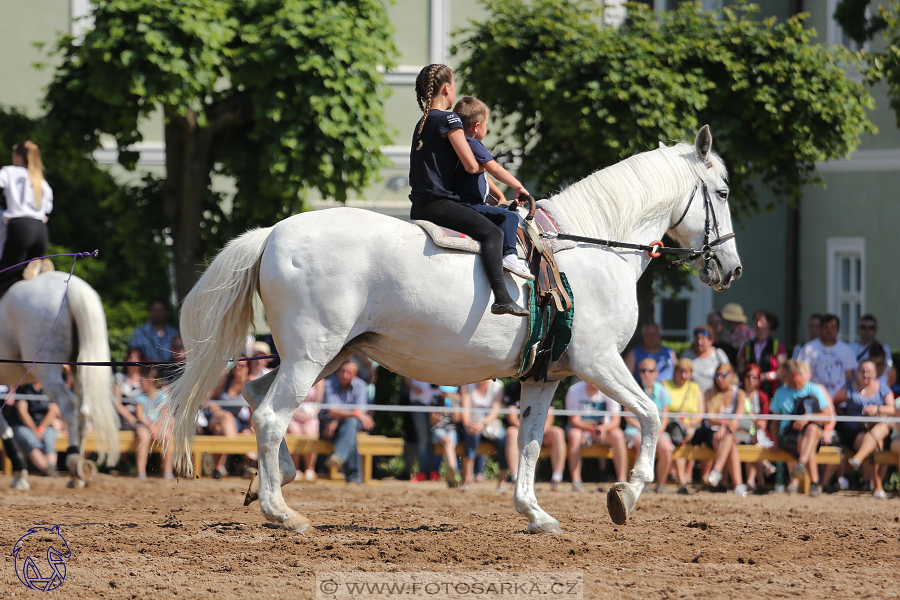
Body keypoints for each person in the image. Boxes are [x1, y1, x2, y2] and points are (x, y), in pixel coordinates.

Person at [408, 63, 528, 317]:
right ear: (448, 88)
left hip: (419, 204)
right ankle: (502, 297)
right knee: (493, 233)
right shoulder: (449, 119)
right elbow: (472, 165)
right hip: (440, 204)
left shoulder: (422, 122)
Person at [768, 360, 836, 498]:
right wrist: (774, 440)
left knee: (811, 431)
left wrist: (808, 417)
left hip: (809, 435)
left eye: (783, 376)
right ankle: (815, 483)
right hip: (788, 435)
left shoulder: (815, 390)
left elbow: (828, 417)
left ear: (793, 374)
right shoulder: (780, 393)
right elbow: (774, 423)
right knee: (807, 439)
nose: (781, 380)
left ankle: (801, 464)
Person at [831, 360, 895, 499]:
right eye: (862, 372)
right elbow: (832, 403)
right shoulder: (849, 388)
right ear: (857, 373)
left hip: (877, 428)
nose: (866, 375)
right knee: (876, 445)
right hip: (853, 431)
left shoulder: (882, 388)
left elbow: (892, 409)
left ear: (875, 373)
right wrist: (842, 415)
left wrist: (877, 409)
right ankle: (877, 486)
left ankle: (858, 459)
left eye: (869, 372)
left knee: (881, 429)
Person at [0, 140, 54, 294]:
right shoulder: (41, 182)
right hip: (41, 231)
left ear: (17, 157)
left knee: (6, 274)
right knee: (27, 284)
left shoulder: (10, 172)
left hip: (21, 228)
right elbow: (47, 213)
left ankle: (27, 268)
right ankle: (39, 266)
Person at [503, 380, 566, 492]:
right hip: (520, 428)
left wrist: (537, 432)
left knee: (558, 433)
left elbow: (550, 418)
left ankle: (557, 479)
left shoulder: (547, 387)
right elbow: (512, 418)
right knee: (511, 433)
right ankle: (515, 478)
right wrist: (527, 430)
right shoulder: (513, 388)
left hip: (542, 429)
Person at [696, 364, 749, 497]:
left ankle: (717, 472)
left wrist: (725, 426)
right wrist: (724, 424)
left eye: (723, 375)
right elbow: (710, 419)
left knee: (729, 439)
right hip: (713, 432)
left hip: (731, 433)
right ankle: (737, 484)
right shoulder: (710, 392)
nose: (719, 379)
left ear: (731, 375)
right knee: (729, 442)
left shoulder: (739, 394)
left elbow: (739, 418)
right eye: (717, 376)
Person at [622, 358, 674, 493]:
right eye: (642, 370)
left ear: (656, 373)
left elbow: (665, 415)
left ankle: (660, 484)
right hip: (635, 429)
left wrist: (659, 430)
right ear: (639, 373)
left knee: (666, 448)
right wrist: (643, 429)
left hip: (657, 431)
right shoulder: (633, 389)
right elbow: (627, 416)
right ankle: (636, 484)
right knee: (641, 444)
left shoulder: (662, 390)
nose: (646, 373)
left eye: (650, 370)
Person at [565, 380, 627, 491]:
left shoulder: (610, 391)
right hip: (582, 430)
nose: (594, 383)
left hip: (603, 430)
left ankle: (621, 482)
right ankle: (576, 481)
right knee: (574, 434)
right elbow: (574, 420)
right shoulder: (574, 390)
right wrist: (591, 429)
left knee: (618, 435)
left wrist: (604, 428)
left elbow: (616, 421)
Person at [321, 360, 373, 484]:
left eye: (349, 373)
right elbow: (332, 411)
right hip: (328, 425)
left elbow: (360, 410)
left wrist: (338, 417)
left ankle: (338, 456)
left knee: (351, 423)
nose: (344, 375)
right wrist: (353, 413)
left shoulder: (361, 385)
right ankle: (354, 478)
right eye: (342, 371)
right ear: (338, 371)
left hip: (339, 424)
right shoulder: (328, 384)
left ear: (355, 375)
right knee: (351, 429)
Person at [663, 358, 704, 494]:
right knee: (678, 435)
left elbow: (701, 413)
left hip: (692, 426)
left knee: (689, 435)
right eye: (680, 372)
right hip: (670, 425)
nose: (683, 376)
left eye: (686, 372)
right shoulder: (665, 385)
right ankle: (682, 480)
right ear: (675, 372)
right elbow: (662, 409)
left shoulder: (695, 388)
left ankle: (685, 476)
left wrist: (690, 425)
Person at [3, 382, 60, 477]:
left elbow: (54, 409)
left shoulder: (48, 388)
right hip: (23, 425)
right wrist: (35, 430)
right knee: (33, 444)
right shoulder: (23, 387)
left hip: (43, 427)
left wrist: (41, 428)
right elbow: (22, 411)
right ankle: (48, 471)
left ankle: (50, 470)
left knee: (50, 444)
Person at [460, 379, 508, 490]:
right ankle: (467, 479)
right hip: (471, 422)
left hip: (489, 423)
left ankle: (502, 480)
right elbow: (465, 409)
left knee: (503, 439)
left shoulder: (498, 385)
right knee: (471, 436)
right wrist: (468, 424)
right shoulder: (467, 384)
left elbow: (495, 410)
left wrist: (483, 424)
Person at [796, 313, 856, 398]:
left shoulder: (846, 350)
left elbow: (850, 380)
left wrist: (837, 401)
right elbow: (801, 375)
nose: (829, 330)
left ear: (838, 329)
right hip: (814, 400)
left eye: (832, 328)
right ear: (820, 328)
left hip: (840, 403)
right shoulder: (809, 348)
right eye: (826, 327)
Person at [738, 364, 775, 494]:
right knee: (753, 443)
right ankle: (761, 479)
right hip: (739, 431)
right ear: (744, 377)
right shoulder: (738, 393)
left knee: (753, 443)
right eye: (748, 376)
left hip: (756, 433)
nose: (751, 380)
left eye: (755, 377)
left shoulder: (763, 396)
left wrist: (756, 424)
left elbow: (763, 422)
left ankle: (751, 482)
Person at [133, 366, 174, 479]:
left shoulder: (163, 396)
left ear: (150, 380)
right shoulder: (139, 396)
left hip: (159, 424)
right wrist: (151, 427)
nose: (139, 382)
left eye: (142, 380)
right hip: (144, 424)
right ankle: (141, 471)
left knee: (167, 437)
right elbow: (140, 416)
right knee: (143, 436)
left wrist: (157, 427)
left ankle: (167, 471)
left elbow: (164, 414)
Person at [736, 310, 787, 399]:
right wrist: (750, 375)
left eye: (762, 321)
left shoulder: (777, 345)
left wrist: (763, 377)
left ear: (769, 324)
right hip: (749, 394)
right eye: (756, 321)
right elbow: (740, 369)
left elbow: (783, 372)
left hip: (771, 394)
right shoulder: (746, 345)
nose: (758, 324)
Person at [288, 380, 325, 482]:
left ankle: (309, 469)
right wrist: (297, 413)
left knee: (309, 434)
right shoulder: (293, 377)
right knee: (295, 433)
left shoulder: (320, 380)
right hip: (293, 415)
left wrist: (309, 416)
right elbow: (287, 400)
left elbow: (318, 402)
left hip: (310, 416)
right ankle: (295, 468)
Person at [681, 325, 731, 393]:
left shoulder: (718, 354)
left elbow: (728, 374)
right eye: (697, 338)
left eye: (703, 339)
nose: (699, 342)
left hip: (714, 396)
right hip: (692, 396)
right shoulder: (686, 356)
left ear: (711, 341)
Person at [129, 298, 180, 363]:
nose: (157, 313)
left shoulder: (174, 333)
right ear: (149, 312)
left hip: (170, 370)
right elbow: (133, 355)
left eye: (160, 310)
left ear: (166, 312)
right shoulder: (139, 332)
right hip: (146, 370)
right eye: (154, 310)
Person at [430, 385, 462, 488]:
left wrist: (454, 406)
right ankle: (453, 471)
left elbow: (456, 420)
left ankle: (451, 474)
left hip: (451, 430)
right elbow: (432, 421)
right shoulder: (435, 399)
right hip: (438, 431)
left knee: (449, 443)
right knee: (448, 442)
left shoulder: (457, 401)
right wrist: (442, 412)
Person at [849, 315, 893, 380]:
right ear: (858, 329)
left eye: (871, 327)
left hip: (877, 386)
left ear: (876, 329)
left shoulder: (884, 348)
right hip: (856, 386)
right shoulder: (850, 348)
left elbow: (888, 370)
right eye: (863, 327)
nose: (866, 330)